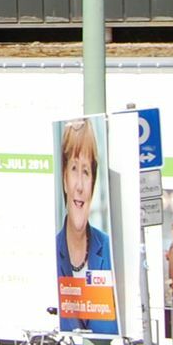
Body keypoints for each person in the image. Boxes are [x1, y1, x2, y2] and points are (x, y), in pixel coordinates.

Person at [55, 118, 116, 334]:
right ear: (64, 179)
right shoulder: (52, 250)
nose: (80, 186)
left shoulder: (109, 249)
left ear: (93, 183)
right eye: (74, 169)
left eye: (86, 172)